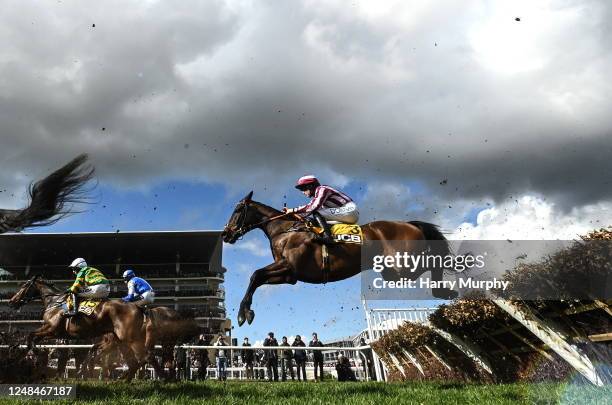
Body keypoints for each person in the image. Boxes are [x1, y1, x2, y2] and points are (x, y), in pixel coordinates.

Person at [283, 175, 359, 244]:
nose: (303, 192)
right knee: (311, 220)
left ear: (310, 186)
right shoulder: (319, 196)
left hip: (350, 210)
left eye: (303, 189)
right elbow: (307, 213)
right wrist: (294, 215)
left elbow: (313, 207)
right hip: (345, 213)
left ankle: (328, 238)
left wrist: (292, 210)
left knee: (316, 212)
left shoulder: (322, 189)